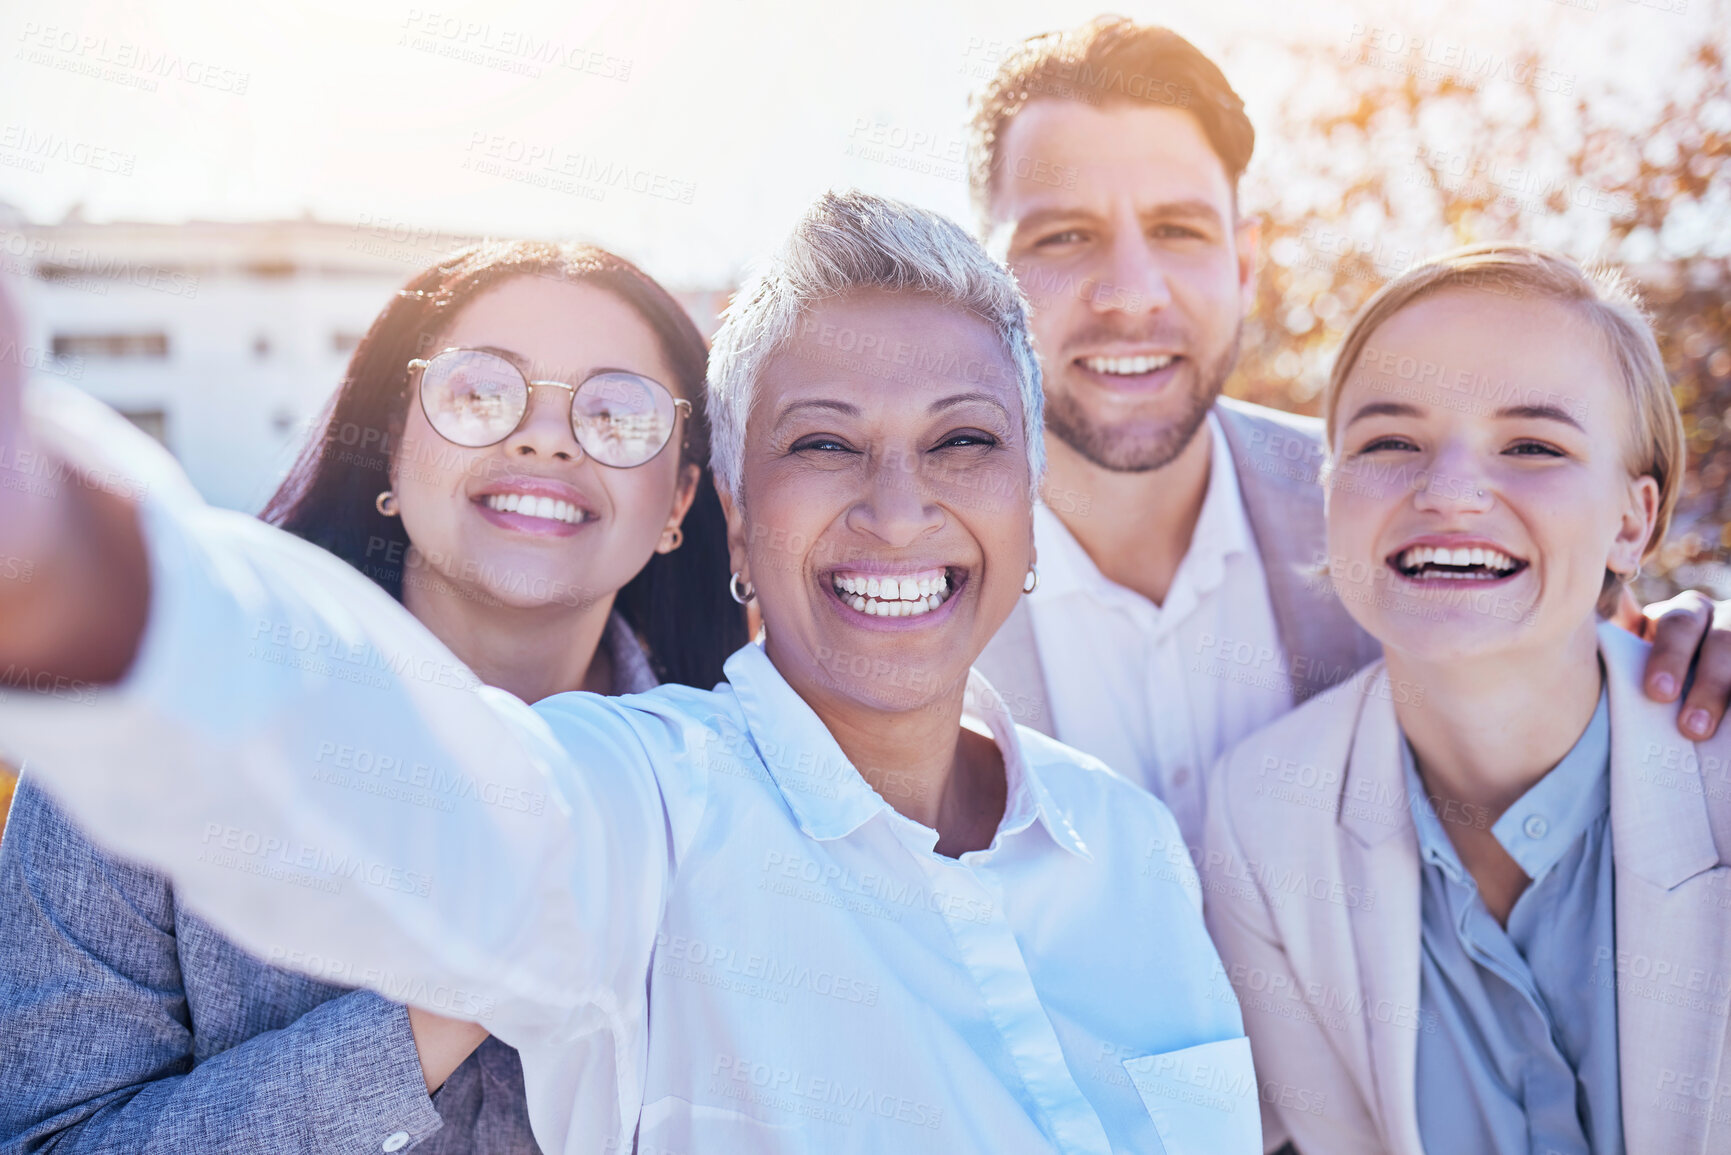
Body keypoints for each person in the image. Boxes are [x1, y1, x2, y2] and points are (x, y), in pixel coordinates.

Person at [0, 191, 1261, 1154]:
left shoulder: (1133, 843)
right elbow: (433, 794)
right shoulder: (655, 803)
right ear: (741, 518)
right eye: (824, 441)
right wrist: (85, 574)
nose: (898, 505)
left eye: (965, 441)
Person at [0, 241, 746, 1153]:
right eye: (479, 393)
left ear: (678, 499)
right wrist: (464, 983)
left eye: (618, 413)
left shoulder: (740, 797)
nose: (546, 438)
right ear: (391, 439)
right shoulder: (145, 746)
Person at [967, 17, 1731, 846]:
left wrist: (1697, 642)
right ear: (981, 277)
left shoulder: (1391, 502)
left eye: (1176, 230)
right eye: (1063, 236)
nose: (1129, 293)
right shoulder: (900, 570)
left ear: (1244, 263)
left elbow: (1603, 653)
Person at [1202, 245, 1730, 1155]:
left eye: (1532, 444)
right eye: (1388, 441)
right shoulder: (1258, 816)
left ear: (1631, 520)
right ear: (1330, 496)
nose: (1446, 492)